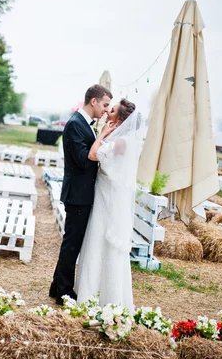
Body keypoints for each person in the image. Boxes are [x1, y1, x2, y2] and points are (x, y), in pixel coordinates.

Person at [49, 84, 113, 305]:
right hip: (78, 194)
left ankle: (57, 285)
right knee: (71, 245)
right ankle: (64, 293)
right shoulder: (76, 124)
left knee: (72, 243)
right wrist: (103, 136)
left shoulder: (84, 124)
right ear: (93, 101)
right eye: (105, 104)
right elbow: (84, 159)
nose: (106, 109)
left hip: (81, 193)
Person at [75, 98, 141, 311]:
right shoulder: (122, 138)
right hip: (105, 197)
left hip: (109, 201)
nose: (107, 112)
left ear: (119, 119)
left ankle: (103, 296)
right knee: (97, 243)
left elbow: (94, 155)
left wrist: (102, 134)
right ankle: (95, 291)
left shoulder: (121, 142)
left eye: (111, 110)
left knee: (101, 242)